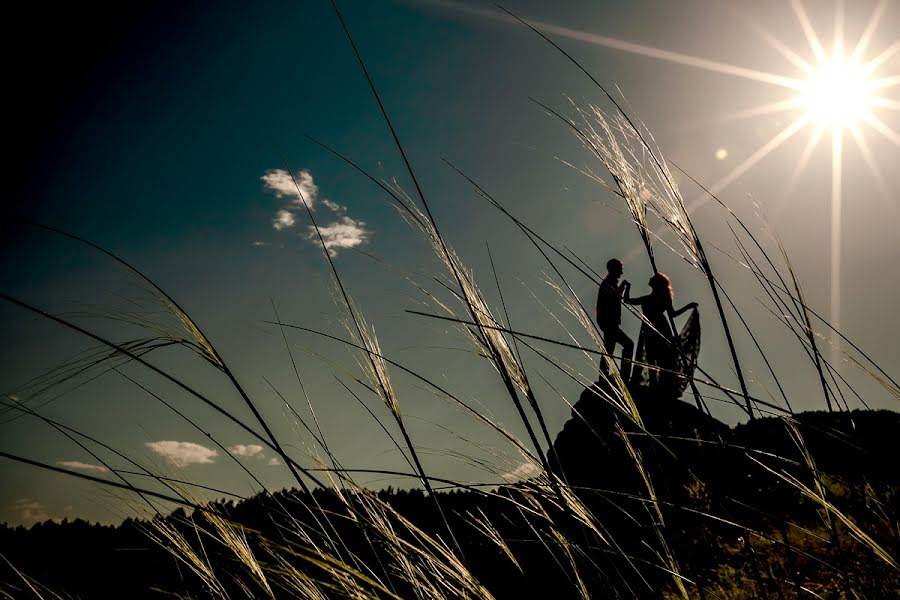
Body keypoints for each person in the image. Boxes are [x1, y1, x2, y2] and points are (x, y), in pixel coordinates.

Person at [625, 273, 697, 389]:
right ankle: (654, 383)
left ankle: (662, 384)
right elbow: (628, 301)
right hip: (648, 329)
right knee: (651, 357)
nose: (649, 278)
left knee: (660, 357)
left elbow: (672, 314)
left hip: (660, 329)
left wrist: (687, 307)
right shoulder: (648, 298)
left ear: (656, 283)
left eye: (653, 278)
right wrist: (627, 288)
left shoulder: (663, 298)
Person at [596, 258, 634, 382]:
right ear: (614, 269)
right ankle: (624, 375)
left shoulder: (610, 283)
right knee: (628, 345)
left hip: (609, 322)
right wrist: (623, 286)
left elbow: (616, 296)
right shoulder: (608, 283)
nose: (621, 273)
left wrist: (622, 287)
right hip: (608, 322)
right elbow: (613, 297)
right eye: (620, 270)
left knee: (609, 348)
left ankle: (604, 376)